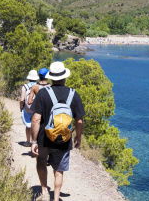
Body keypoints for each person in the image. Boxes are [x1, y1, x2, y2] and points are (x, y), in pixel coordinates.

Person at [30, 62, 85, 201]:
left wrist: (33, 141)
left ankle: (44, 191)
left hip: (44, 138)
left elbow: (36, 119)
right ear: (65, 77)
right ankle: (55, 198)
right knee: (58, 170)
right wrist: (78, 137)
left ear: (52, 77)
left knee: (41, 161)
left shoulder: (43, 93)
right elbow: (79, 120)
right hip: (64, 140)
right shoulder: (73, 94)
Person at [20, 69, 39, 147]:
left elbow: (22, 99)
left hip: (27, 108)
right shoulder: (38, 86)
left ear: (28, 78)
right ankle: (35, 141)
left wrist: (21, 107)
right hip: (36, 108)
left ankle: (28, 142)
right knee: (36, 124)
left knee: (28, 125)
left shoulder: (25, 86)